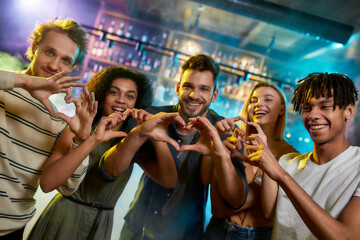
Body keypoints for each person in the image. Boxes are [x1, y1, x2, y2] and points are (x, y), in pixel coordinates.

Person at [102, 54, 247, 240]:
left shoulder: (224, 131)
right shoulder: (150, 117)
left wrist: (217, 149)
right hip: (138, 229)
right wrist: (139, 134)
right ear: (178, 87)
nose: (194, 95)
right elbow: (111, 170)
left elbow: (237, 199)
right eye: (188, 86)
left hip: (187, 234)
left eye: (204, 89)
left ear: (214, 95)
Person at [26, 66, 156, 240]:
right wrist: (87, 140)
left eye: (130, 96)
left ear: (137, 103)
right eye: (114, 92)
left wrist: (152, 132)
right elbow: (47, 184)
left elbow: (170, 180)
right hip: (64, 219)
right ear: (103, 95)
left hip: (101, 224)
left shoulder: (133, 139)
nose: (121, 101)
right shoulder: (77, 128)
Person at [0, 18, 89, 239]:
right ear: (33, 48)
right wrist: (26, 83)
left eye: (65, 60)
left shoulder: (67, 114)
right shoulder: (6, 83)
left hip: (9, 228)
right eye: (49, 52)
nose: (54, 66)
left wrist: (83, 140)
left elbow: (66, 188)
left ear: (72, 67)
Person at [245, 73, 360, 239]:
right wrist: (266, 159)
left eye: (325, 106)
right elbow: (269, 211)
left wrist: (281, 176)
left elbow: (347, 237)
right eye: (307, 108)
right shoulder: (287, 162)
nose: (312, 115)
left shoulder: (356, 165)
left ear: (349, 111)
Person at [203, 82, 297, 239]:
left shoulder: (290, 154)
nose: (259, 104)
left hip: (258, 235)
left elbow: (270, 212)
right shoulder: (234, 142)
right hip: (218, 230)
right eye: (253, 100)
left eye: (268, 99)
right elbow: (217, 207)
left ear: (282, 109)